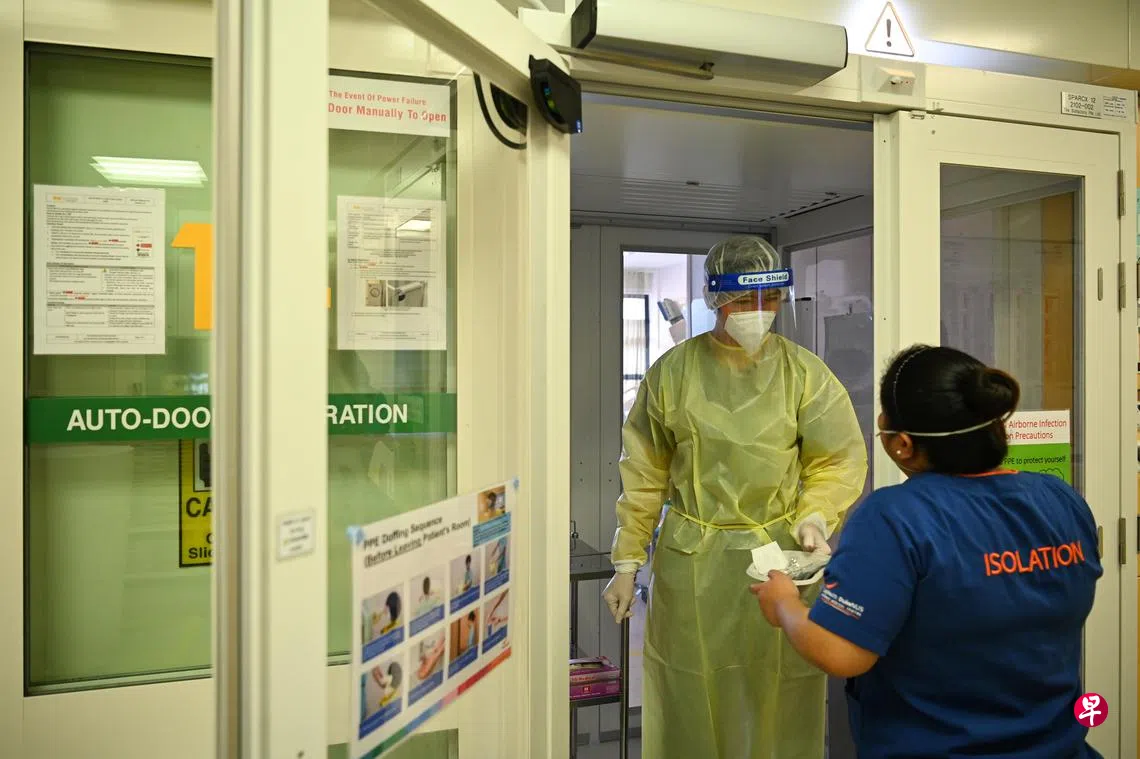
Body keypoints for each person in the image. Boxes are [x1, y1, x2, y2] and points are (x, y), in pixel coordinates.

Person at [752, 345, 1103, 759]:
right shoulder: (1059, 498)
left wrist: (785, 605)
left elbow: (840, 652)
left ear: (902, 444)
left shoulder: (895, 517)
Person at [602, 236, 867, 759]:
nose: (759, 311)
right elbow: (645, 474)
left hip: (777, 557)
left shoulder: (803, 374)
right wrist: (628, 561)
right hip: (692, 559)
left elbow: (835, 460)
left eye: (771, 299)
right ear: (716, 299)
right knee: (689, 690)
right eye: (745, 299)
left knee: (780, 689)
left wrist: (816, 516)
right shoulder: (672, 374)